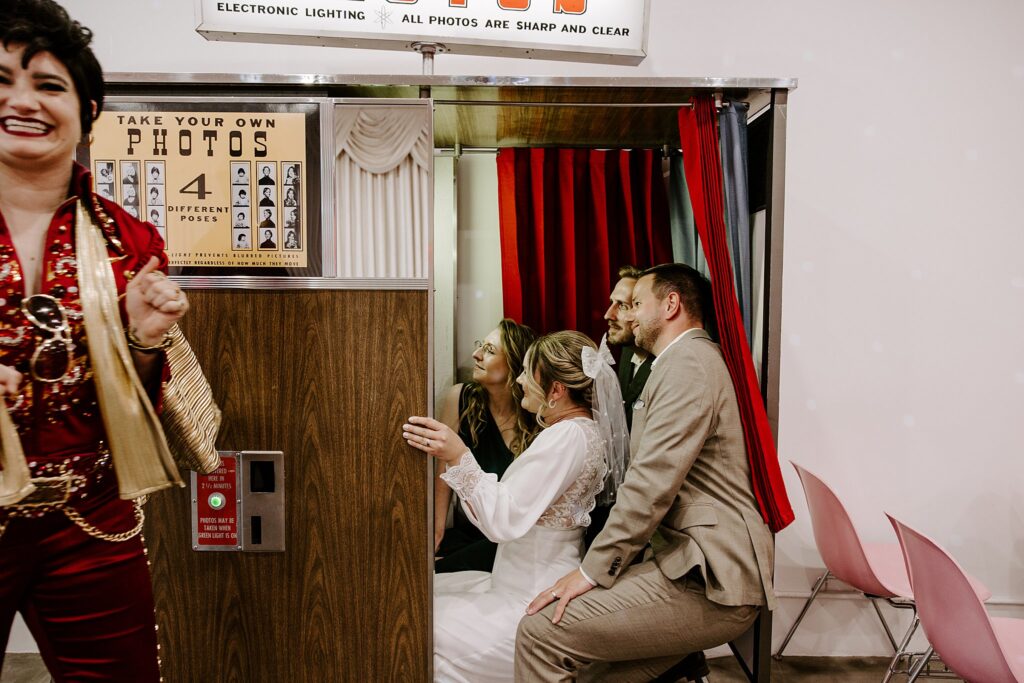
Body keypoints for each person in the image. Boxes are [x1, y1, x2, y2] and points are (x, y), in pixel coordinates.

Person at [0, 2, 190, 680]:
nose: (22, 100)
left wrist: (143, 340)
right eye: (2, 80)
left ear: (86, 110)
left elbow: (141, 407)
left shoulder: (128, 241)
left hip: (91, 521)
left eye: (48, 85)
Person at [515, 264, 776, 681]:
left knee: (539, 633)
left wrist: (589, 572)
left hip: (711, 578)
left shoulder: (688, 363)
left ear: (671, 304)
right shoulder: (677, 363)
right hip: (685, 564)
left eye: (637, 304)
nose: (628, 315)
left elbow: (651, 484)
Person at [403, 330, 627, 683]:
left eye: (526, 373)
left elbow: (504, 520)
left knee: (414, 627)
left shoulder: (567, 437)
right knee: (424, 598)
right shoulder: (581, 430)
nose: (520, 381)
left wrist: (458, 454)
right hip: (514, 582)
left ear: (556, 391)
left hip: (528, 598)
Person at [433, 319, 538, 574]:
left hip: (511, 539)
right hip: (469, 530)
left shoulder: (535, 417)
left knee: (444, 572)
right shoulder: (460, 398)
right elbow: (443, 469)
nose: (476, 354)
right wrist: (436, 530)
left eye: (490, 350)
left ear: (515, 365)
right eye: (481, 346)